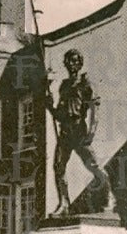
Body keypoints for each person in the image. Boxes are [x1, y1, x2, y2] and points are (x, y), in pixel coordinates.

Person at [46, 48, 114, 216]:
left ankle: (109, 197)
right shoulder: (64, 86)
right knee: (58, 167)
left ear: (80, 63)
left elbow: (94, 110)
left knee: (93, 166)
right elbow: (60, 115)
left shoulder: (86, 83)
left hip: (79, 130)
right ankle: (64, 203)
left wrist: (91, 133)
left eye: (75, 61)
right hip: (65, 132)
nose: (71, 64)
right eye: (68, 61)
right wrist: (50, 106)